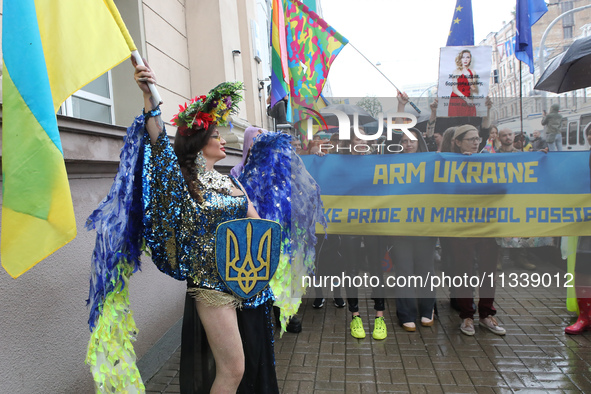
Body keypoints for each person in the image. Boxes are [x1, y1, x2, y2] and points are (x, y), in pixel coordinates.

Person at [134, 60, 278, 393]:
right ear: (199, 140)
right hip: (212, 288)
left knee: (254, 363)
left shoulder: (231, 182)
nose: (222, 139)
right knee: (233, 369)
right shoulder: (185, 183)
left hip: (248, 281)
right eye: (215, 135)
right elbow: (158, 144)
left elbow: (258, 225)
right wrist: (149, 96)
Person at [446, 125, 506, 336]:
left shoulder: (488, 161)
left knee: (488, 271)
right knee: (463, 272)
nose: (475, 142)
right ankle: (467, 316)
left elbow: (503, 187)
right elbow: (444, 190)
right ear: (458, 142)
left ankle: (487, 314)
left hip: (487, 224)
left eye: (477, 138)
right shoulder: (448, 163)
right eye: (470, 139)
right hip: (462, 226)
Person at [390, 128, 437, 332]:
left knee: (426, 271)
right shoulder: (390, 164)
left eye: (412, 141)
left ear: (420, 143)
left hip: (425, 227)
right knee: (404, 272)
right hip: (400, 229)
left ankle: (428, 309)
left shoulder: (431, 163)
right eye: (404, 140)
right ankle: (406, 314)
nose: (408, 144)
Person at [565, 123, 591, 334]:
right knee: (582, 268)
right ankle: (585, 316)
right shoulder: (581, 159)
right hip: (586, 224)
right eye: (589, 133)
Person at [449, 50, 479, 117]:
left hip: (468, 99)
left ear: (470, 59)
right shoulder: (456, 72)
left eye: (468, 57)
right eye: (463, 57)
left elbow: (473, 88)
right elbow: (454, 89)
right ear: (460, 59)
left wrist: (468, 77)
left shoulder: (472, 72)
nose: (465, 59)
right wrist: (466, 99)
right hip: (457, 99)